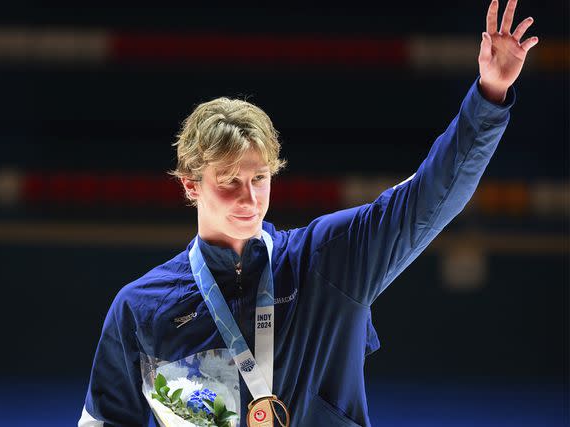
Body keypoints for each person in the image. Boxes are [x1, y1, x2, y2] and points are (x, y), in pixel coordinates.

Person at [79, 1, 538, 426]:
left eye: (259, 178)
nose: (248, 198)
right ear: (190, 185)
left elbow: (430, 199)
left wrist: (489, 94)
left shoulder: (328, 260)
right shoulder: (141, 308)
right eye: (228, 181)